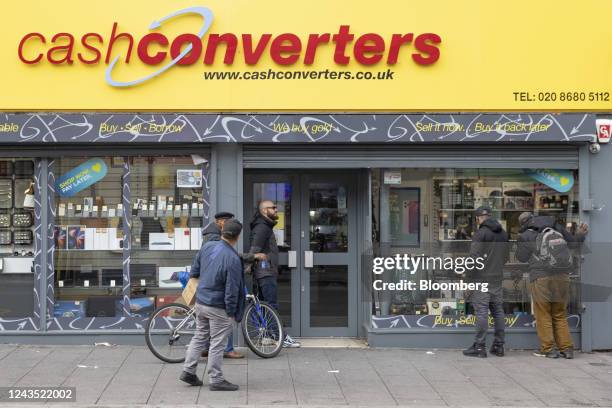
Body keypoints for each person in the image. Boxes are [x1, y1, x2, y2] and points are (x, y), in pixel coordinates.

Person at [180, 219, 246, 391]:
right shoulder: (233, 258)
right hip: (218, 306)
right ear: (237, 236)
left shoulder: (207, 246)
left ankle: (188, 371)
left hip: (201, 301)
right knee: (217, 343)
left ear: (223, 231)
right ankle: (216, 379)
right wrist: (231, 312)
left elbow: (194, 271)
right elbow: (233, 289)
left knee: (199, 336)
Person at [516, 212, 588, 359]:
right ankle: (567, 349)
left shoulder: (526, 235)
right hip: (562, 276)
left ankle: (548, 349)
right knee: (559, 313)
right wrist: (580, 234)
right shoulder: (555, 227)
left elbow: (521, 258)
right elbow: (574, 243)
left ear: (523, 223)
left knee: (543, 313)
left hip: (541, 277)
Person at [200, 211, 266, 359]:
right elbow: (229, 256)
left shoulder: (212, 234)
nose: (229, 224)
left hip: (211, 277)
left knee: (212, 318)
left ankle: (206, 347)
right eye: (228, 221)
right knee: (228, 310)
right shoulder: (215, 237)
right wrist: (252, 256)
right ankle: (228, 349)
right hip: (219, 278)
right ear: (221, 222)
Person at [249, 200, 300, 348]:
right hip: (265, 272)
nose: (277, 210)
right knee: (271, 305)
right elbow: (254, 249)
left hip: (263, 271)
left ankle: (267, 336)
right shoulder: (262, 227)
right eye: (274, 208)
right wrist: (247, 266)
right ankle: (280, 337)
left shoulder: (263, 226)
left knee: (265, 305)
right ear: (265, 210)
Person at [463, 206, 509, 358]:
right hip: (497, 278)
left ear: (478, 219)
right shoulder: (503, 233)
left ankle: (479, 347)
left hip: (481, 279)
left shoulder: (480, 234)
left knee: (482, 312)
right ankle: (499, 345)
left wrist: (468, 280)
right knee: (498, 311)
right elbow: (506, 257)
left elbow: (473, 259)